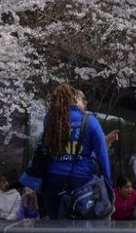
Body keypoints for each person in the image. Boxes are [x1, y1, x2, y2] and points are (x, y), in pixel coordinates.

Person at [41, 83, 111, 219]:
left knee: (54, 225)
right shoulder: (90, 121)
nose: (85, 103)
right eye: (82, 98)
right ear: (74, 98)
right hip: (81, 181)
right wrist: (108, 188)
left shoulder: (50, 120)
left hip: (52, 180)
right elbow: (103, 158)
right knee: (81, 225)